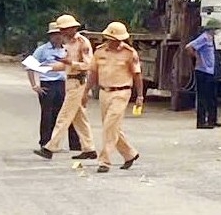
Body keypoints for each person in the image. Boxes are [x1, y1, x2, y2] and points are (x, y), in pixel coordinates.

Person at [33, 14, 96, 160]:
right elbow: (65, 64)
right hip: (70, 80)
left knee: (64, 116)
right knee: (79, 117)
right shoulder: (68, 42)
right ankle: (89, 148)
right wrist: (47, 67)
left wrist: (70, 64)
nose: (61, 33)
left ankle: (50, 147)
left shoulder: (82, 42)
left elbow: (89, 65)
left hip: (78, 82)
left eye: (63, 29)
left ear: (72, 28)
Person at [82, 21, 143, 173]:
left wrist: (140, 96)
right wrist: (85, 92)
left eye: (118, 40)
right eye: (112, 39)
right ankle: (129, 154)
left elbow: (137, 75)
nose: (115, 42)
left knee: (110, 125)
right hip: (104, 92)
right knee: (111, 127)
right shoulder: (99, 52)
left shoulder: (130, 53)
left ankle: (104, 161)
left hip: (122, 92)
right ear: (107, 37)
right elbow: (93, 74)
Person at [26, 21, 81, 151]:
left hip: (64, 83)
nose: (57, 37)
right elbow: (29, 66)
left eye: (59, 34)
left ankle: (75, 145)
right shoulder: (42, 50)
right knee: (47, 115)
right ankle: (45, 143)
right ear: (50, 36)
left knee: (67, 114)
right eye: (54, 34)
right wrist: (34, 85)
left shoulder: (67, 49)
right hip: (48, 84)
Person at [186, 19, 221, 129]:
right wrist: (197, 58)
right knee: (203, 97)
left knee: (212, 97)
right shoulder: (204, 37)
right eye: (216, 29)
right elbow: (189, 47)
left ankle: (212, 120)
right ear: (212, 29)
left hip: (210, 71)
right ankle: (201, 122)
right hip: (202, 71)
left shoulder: (211, 39)